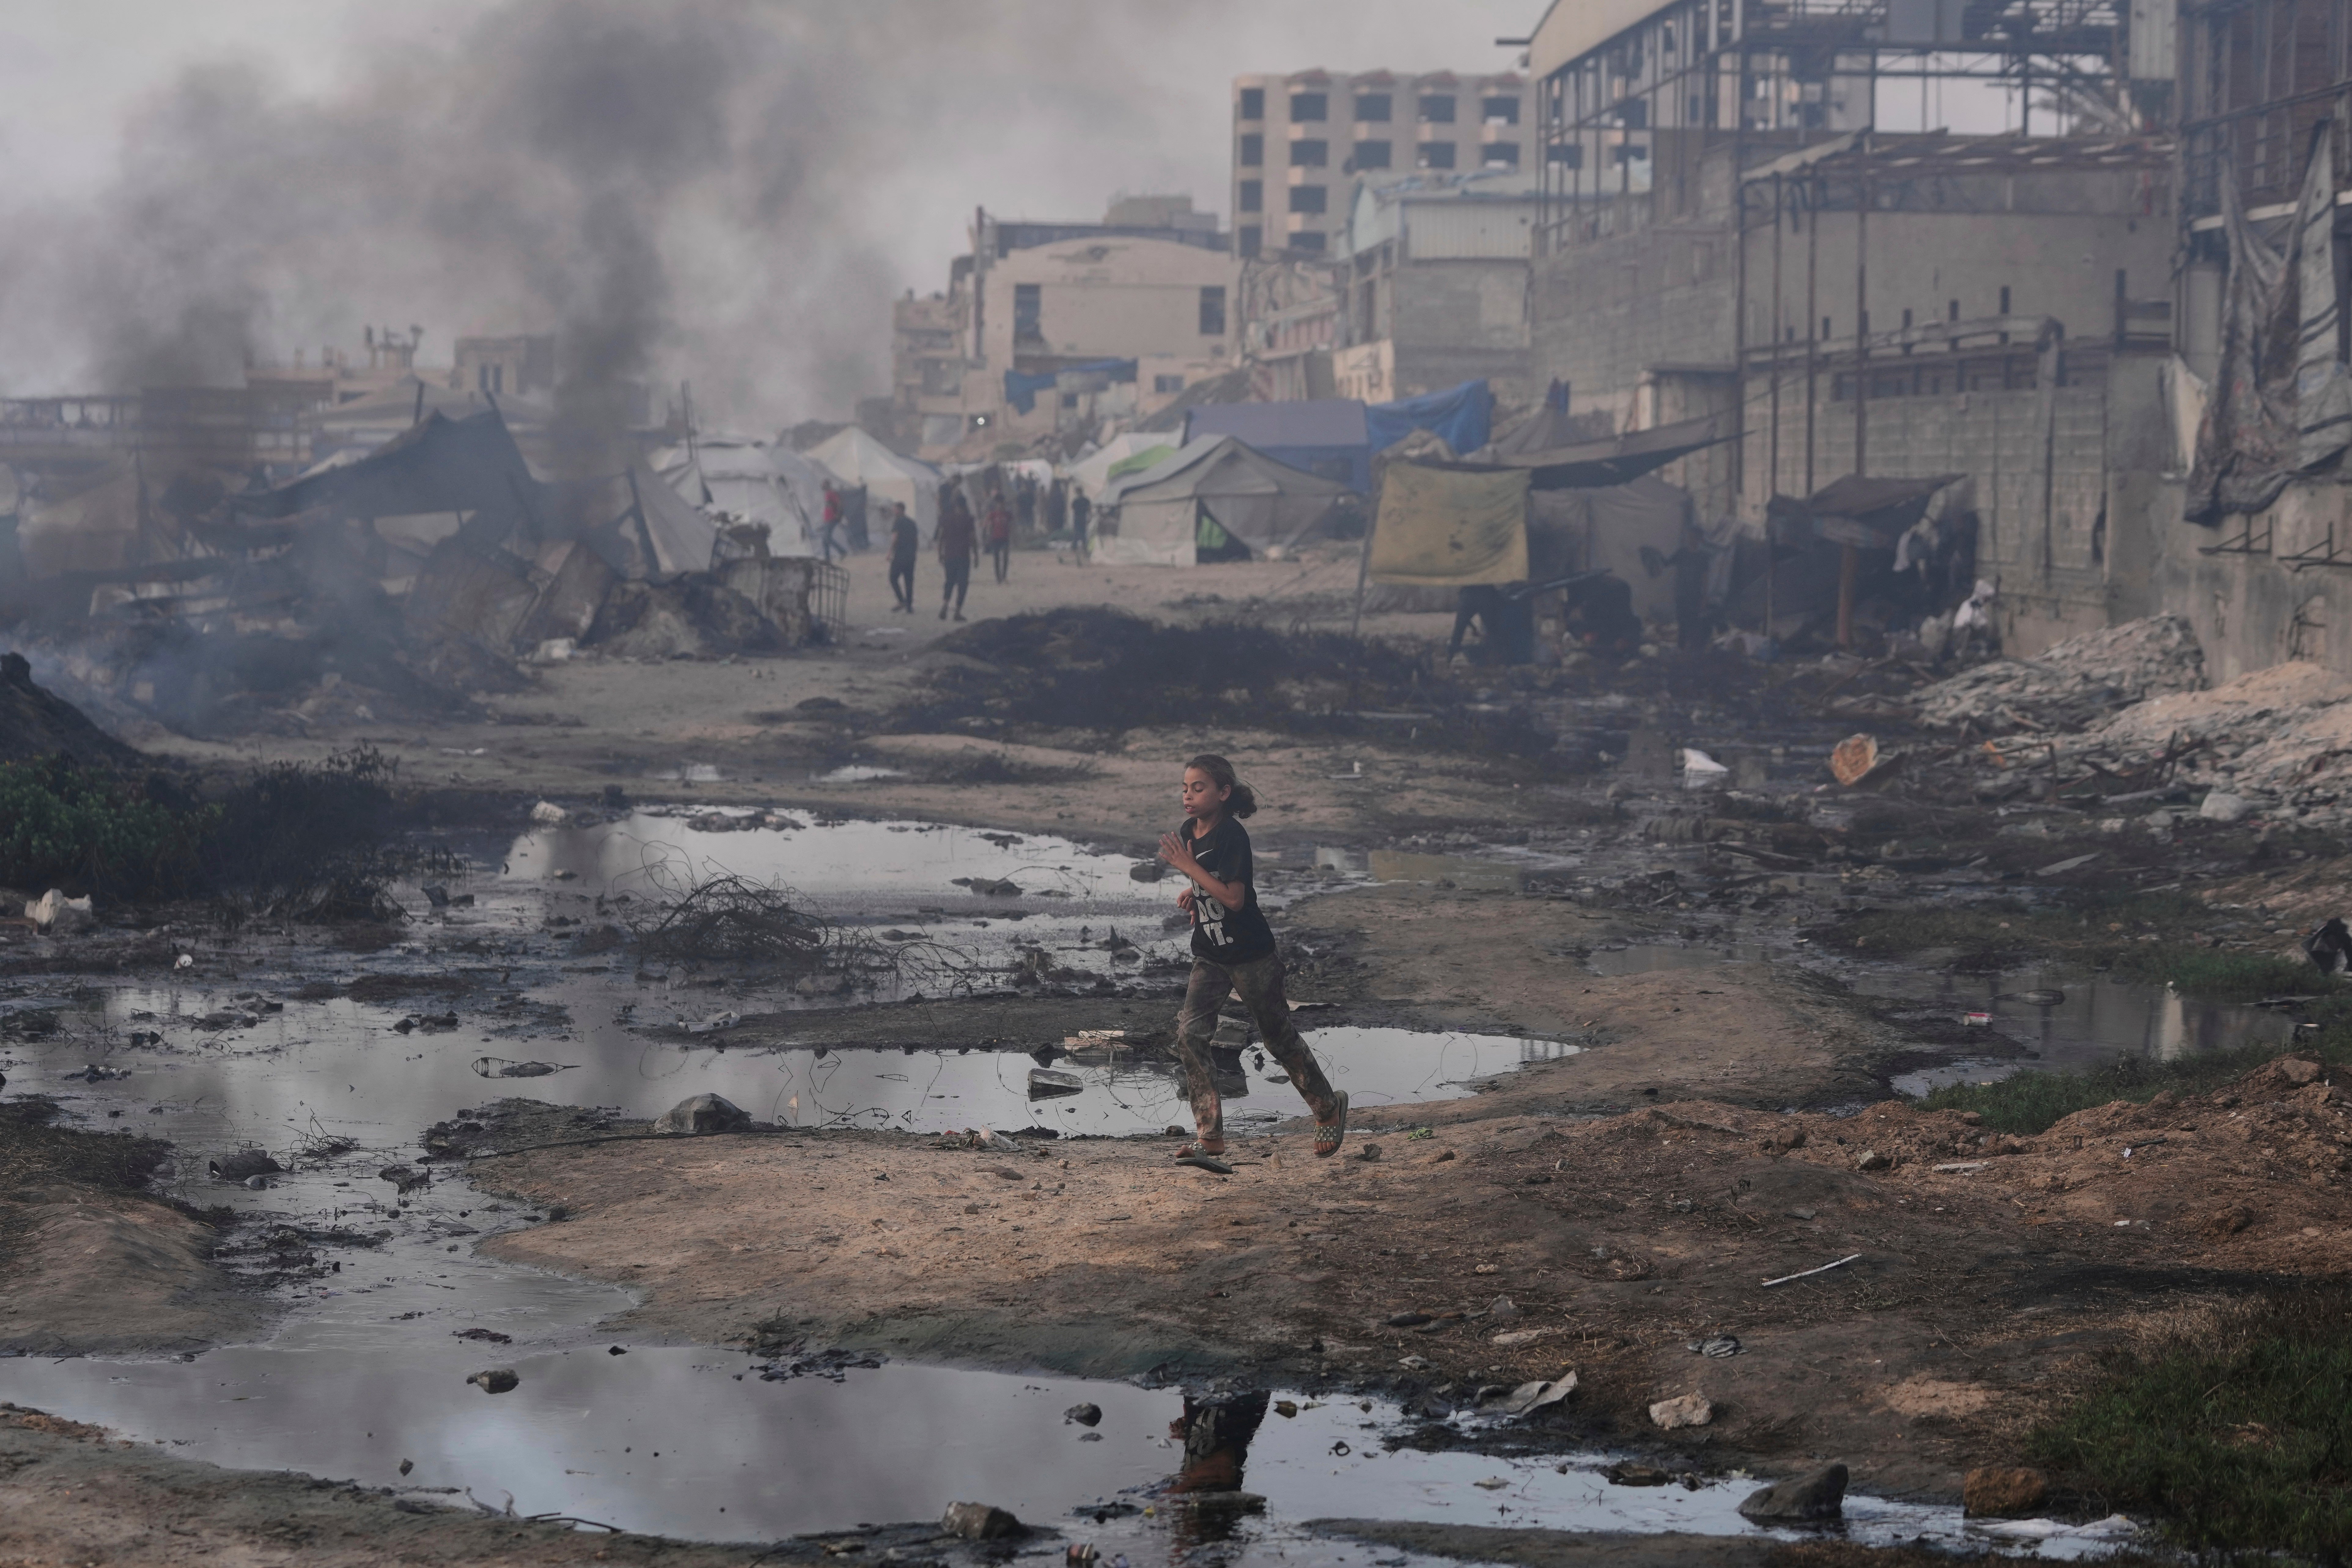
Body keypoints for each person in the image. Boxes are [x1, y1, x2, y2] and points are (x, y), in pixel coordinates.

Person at [1156, 754, 1348, 1166]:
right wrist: (1194, 891)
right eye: (1184, 787)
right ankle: (1210, 1136)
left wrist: (1188, 868)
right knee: (1189, 1035)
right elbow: (1211, 883)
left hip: (1251, 955)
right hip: (1209, 952)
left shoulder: (1231, 835)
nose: (1188, 795)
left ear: (1223, 793)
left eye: (1199, 787)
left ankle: (1327, 1106)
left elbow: (1234, 897)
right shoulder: (1190, 830)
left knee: (1277, 1039)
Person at [936, 484, 978, 620]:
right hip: (963, 555)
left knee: (949, 581)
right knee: (963, 584)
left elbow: (941, 537)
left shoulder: (947, 518)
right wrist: (976, 555)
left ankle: (945, 606)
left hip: (949, 554)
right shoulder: (968, 519)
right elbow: (973, 538)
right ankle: (957, 612)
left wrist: (940, 554)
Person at [885, 501, 919, 613]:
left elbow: (895, 538)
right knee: (909, 581)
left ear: (900, 510)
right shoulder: (912, 522)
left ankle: (902, 600)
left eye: (895, 509)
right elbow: (916, 540)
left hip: (900, 555)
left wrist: (890, 552)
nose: (894, 511)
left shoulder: (898, 522)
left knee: (893, 577)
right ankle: (909, 606)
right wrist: (915, 553)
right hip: (910, 555)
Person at [982, 489, 1013, 583]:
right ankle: (998, 577)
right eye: (999, 504)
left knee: (1005, 558)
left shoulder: (1007, 515)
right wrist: (988, 537)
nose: (1000, 506)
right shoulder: (992, 515)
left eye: (1002, 504)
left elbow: (1012, 526)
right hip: (995, 538)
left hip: (1005, 538)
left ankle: (1004, 576)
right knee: (997, 559)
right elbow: (987, 526)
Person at [819, 480, 845, 563]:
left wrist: (838, 514)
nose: (822, 487)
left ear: (827, 485)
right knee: (825, 539)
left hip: (832, 519)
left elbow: (839, 503)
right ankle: (827, 558)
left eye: (824, 485)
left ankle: (842, 552)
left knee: (827, 538)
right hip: (827, 519)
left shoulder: (831, 493)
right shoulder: (827, 494)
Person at [1069, 485, 1091, 563]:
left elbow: (1072, 508)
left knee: (1077, 533)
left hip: (1078, 519)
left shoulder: (1076, 501)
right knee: (1083, 533)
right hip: (1083, 519)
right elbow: (1089, 510)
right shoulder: (1086, 500)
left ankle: (1076, 547)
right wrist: (1090, 518)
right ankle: (1084, 547)